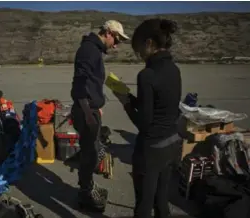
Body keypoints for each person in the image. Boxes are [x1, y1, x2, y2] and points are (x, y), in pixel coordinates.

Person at [122, 18, 182, 218]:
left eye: (138, 49)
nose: (138, 55)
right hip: (171, 145)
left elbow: (145, 124)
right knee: (161, 200)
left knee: (144, 204)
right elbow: (161, 105)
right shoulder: (174, 70)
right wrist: (130, 97)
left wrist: (126, 104)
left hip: (151, 150)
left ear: (148, 43)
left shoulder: (146, 75)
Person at [70, 20, 129, 212]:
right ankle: (85, 193)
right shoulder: (89, 50)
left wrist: (96, 104)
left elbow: (91, 84)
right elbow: (80, 83)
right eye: (117, 39)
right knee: (91, 154)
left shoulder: (93, 50)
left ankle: (85, 186)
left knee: (93, 150)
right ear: (108, 33)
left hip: (90, 109)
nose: (117, 44)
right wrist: (88, 111)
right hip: (86, 111)